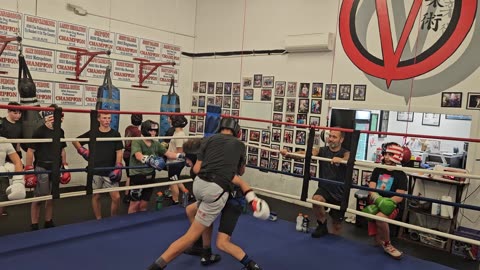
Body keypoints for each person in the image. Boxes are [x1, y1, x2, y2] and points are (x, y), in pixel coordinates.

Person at [148, 118, 270, 270]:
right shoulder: (239, 145)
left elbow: (197, 169)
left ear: (220, 128)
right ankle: (157, 266)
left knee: (191, 210)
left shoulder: (208, 139)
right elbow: (240, 172)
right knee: (190, 236)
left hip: (198, 185)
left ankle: (205, 250)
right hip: (216, 190)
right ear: (237, 132)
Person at [182, 135, 263, 269]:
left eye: (188, 159)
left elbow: (241, 175)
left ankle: (251, 265)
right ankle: (204, 250)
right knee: (192, 210)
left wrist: (241, 163)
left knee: (222, 243)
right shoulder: (203, 167)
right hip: (218, 197)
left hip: (233, 200)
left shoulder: (208, 167)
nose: (186, 161)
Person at [280, 128, 349, 237]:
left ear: (341, 140)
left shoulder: (345, 152)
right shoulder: (322, 150)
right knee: (316, 200)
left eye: (334, 137)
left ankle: (333, 246)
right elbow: (307, 153)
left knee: (337, 226)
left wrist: (342, 160)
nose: (330, 139)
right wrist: (288, 154)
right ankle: (322, 225)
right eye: (330, 136)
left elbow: (348, 158)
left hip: (339, 193)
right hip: (324, 189)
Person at [72, 113, 123, 220]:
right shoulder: (93, 133)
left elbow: (119, 152)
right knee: (96, 196)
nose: (107, 120)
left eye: (109, 118)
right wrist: (83, 152)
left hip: (110, 170)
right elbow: (75, 141)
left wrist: (118, 166)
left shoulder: (115, 134)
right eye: (104, 118)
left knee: (116, 197)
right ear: (99, 119)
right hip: (96, 170)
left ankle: (113, 218)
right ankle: (98, 219)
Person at [26, 104, 69, 230]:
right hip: (42, 166)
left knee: (52, 196)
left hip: (56, 167)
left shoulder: (60, 131)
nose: (56, 119)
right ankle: (34, 224)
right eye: (53, 116)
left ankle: (48, 221)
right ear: (47, 117)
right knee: (39, 196)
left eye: (59, 116)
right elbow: (30, 151)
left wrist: (65, 166)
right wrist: (29, 169)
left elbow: (62, 150)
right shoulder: (39, 131)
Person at [127, 120, 183, 213]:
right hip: (137, 176)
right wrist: (149, 160)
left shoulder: (155, 143)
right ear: (145, 130)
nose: (153, 133)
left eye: (155, 131)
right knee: (134, 204)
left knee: (144, 204)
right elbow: (138, 155)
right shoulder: (137, 141)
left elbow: (168, 153)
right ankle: (130, 225)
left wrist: (180, 156)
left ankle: (140, 223)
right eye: (151, 131)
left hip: (150, 175)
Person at [363, 142, 407, 259]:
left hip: (391, 205)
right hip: (376, 202)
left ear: (397, 156)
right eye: (385, 154)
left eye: (390, 154)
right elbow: (371, 188)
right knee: (376, 242)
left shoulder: (401, 175)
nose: (386, 157)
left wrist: (385, 203)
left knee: (380, 218)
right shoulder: (378, 170)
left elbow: (399, 197)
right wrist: (378, 199)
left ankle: (388, 244)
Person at [0, 102, 23, 216]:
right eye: (15, 112)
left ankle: (2, 209)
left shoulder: (20, 125)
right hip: (2, 153)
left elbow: (19, 141)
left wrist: (20, 157)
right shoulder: (2, 122)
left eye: (20, 113)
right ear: (8, 111)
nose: (18, 115)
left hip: (11, 154)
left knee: (5, 183)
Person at [165, 115, 189, 204]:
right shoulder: (179, 132)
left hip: (175, 162)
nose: (168, 120)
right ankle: (187, 193)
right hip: (177, 162)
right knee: (176, 179)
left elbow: (179, 151)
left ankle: (175, 201)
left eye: (170, 119)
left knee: (173, 181)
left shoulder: (179, 135)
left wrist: (167, 154)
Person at [122, 114, 143, 204]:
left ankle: (127, 194)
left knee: (129, 176)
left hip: (126, 153)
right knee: (132, 175)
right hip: (131, 155)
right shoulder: (137, 132)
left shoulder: (128, 128)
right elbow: (137, 145)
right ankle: (128, 195)